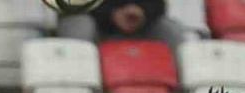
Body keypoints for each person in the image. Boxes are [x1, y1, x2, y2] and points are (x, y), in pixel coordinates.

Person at [58, 1, 195, 51]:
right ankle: (80, 85)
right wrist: (112, 14)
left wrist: (143, 11)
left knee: (170, 29)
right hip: (89, 17)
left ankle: (182, 91)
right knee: (81, 27)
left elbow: (158, 4)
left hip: (136, 20)